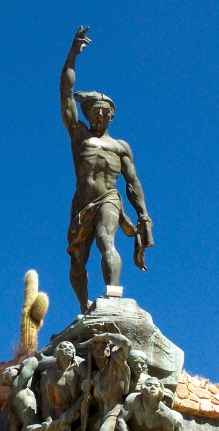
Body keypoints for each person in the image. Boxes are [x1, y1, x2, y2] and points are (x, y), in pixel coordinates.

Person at [60, 26, 153, 312]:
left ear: (110, 115)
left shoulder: (120, 147)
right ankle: (84, 305)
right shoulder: (79, 135)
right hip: (82, 203)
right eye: (94, 112)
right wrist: (72, 55)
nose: (98, 115)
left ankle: (113, 295)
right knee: (77, 260)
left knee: (105, 237)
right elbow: (65, 92)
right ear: (88, 114)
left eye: (104, 112)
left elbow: (132, 182)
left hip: (108, 200)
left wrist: (143, 214)